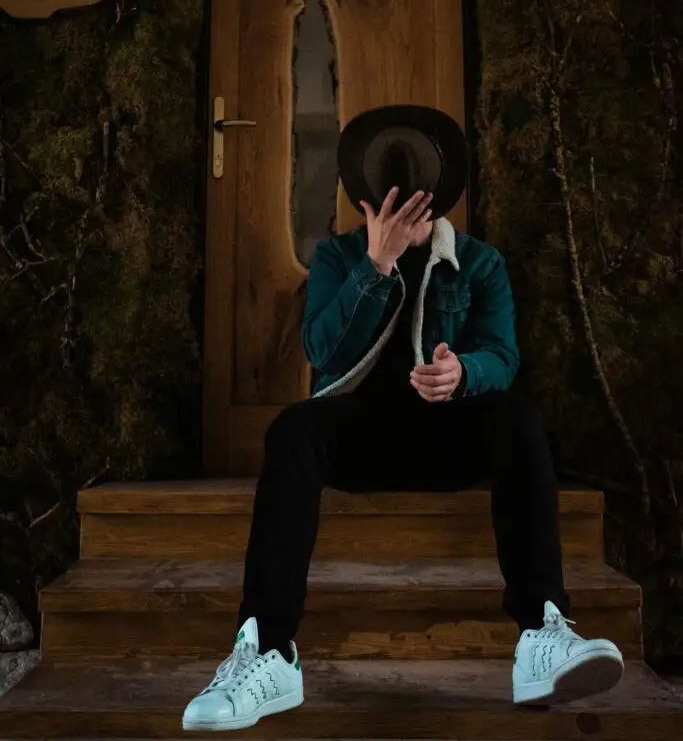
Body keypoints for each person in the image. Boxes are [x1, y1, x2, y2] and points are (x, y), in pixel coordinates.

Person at [182, 105, 625, 733]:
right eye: (387, 196)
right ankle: (270, 653)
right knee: (292, 429)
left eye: (414, 197)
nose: (401, 209)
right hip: (361, 436)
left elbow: (503, 356)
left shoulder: (479, 263)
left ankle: (542, 636)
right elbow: (321, 353)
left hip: (446, 436)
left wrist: (461, 373)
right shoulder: (336, 257)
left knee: (519, 419)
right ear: (367, 198)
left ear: (435, 196)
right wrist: (376, 267)